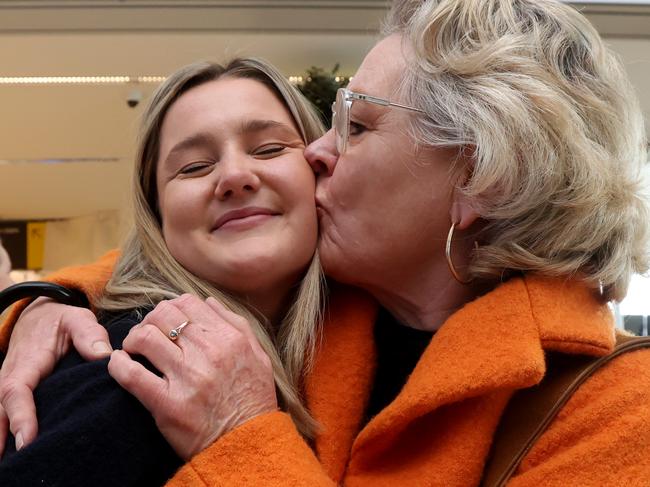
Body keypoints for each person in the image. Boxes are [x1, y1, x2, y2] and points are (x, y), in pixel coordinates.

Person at [2, 0, 650, 485]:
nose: (316, 152)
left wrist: (244, 438)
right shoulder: (320, 299)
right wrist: (46, 297)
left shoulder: (621, 412)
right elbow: (180, 260)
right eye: (193, 166)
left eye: (358, 126)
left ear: (482, 177)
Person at [0, 57, 331, 485]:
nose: (234, 176)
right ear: (157, 218)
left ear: (321, 169)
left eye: (269, 148)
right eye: (193, 167)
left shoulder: (394, 323)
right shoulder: (127, 375)